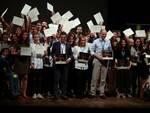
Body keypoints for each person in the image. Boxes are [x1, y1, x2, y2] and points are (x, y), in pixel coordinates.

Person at [90, 29, 112, 99]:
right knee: (95, 77)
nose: (104, 35)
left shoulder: (108, 41)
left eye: (105, 34)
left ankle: (102, 93)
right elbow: (91, 51)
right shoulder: (95, 41)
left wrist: (108, 56)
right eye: (103, 34)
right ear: (100, 34)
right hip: (97, 59)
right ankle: (92, 92)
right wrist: (98, 56)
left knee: (103, 78)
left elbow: (110, 50)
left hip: (105, 61)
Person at [52, 32, 73, 99]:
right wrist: (54, 57)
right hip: (57, 65)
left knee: (64, 80)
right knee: (56, 80)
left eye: (64, 37)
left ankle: (63, 94)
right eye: (62, 37)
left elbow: (71, 55)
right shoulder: (55, 44)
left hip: (65, 65)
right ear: (60, 37)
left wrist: (69, 59)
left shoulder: (68, 45)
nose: (63, 38)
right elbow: (52, 53)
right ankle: (55, 94)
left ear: (66, 38)